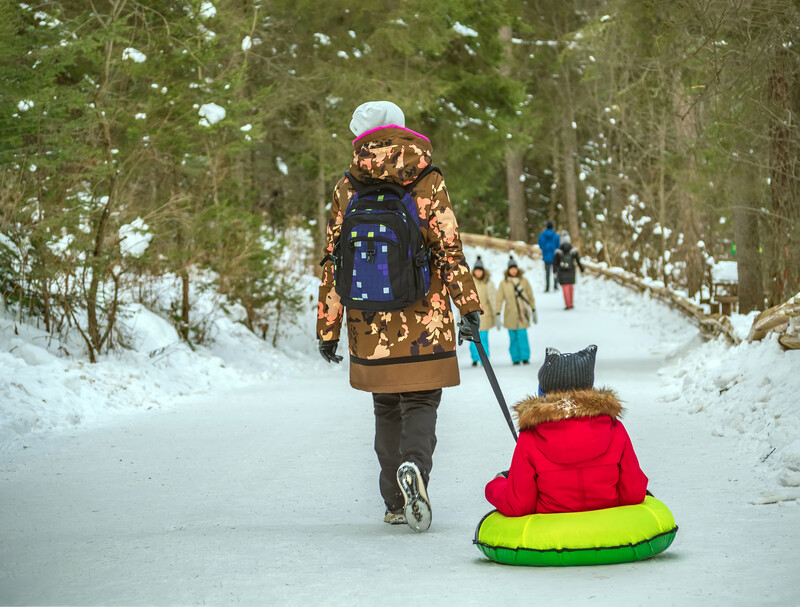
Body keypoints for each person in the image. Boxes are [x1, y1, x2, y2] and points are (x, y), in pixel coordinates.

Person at [316, 100, 482, 533]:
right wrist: (468, 308)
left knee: (385, 407)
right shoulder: (427, 179)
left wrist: (327, 329)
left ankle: (393, 501)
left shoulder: (347, 185)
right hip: (425, 319)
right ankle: (414, 469)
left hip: (367, 324)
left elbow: (333, 261)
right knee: (422, 401)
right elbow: (450, 250)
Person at [484, 345, 649, 516]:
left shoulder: (531, 436)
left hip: (552, 533)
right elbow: (633, 494)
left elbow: (519, 505)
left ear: (543, 393)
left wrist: (496, 484)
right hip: (607, 532)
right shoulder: (615, 429)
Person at [495, 255, 536, 365]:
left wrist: (533, 309)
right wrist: (498, 313)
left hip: (523, 313)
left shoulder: (524, 281)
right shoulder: (504, 283)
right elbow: (499, 299)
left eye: (514, 268)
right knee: (513, 337)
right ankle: (516, 358)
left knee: (522, 336)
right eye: (511, 269)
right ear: (508, 270)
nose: (513, 270)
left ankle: (525, 357)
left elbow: (530, 295)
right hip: (510, 314)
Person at [468, 256, 496, 367]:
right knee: (474, 338)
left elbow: (492, 299)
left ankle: (485, 358)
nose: (478, 273)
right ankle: (475, 358)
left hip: (485, 315)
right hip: (472, 315)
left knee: (483, 338)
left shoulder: (487, 284)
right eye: (477, 270)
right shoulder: (469, 283)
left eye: (480, 271)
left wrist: (495, 314)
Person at [553, 232, 584, 310]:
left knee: (565, 288)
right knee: (570, 287)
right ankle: (571, 303)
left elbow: (555, 263)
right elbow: (578, 260)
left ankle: (567, 304)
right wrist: (581, 268)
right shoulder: (573, 251)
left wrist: (554, 271)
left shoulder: (558, 252)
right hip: (571, 271)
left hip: (562, 271)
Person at [537, 220, 560, 292]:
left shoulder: (542, 235)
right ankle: (555, 285)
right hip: (554, 256)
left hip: (546, 256)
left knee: (547, 272)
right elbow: (558, 246)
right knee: (555, 271)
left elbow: (540, 245)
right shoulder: (556, 236)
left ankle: (547, 287)